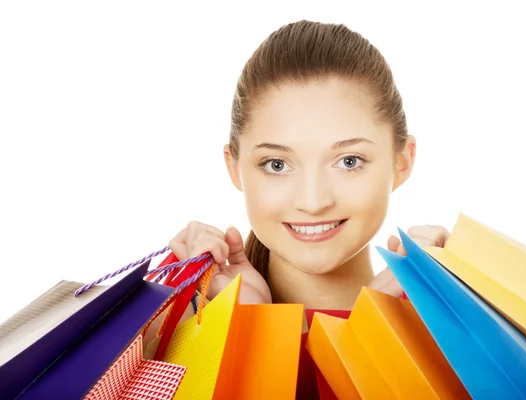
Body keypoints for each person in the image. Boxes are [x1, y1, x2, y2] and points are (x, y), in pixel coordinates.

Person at [170, 20, 449, 318]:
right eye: (276, 165)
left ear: (402, 160)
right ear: (234, 167)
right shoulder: (166, 327)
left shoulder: (448, 325)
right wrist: (250, 322)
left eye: (349, 161)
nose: (313, 202)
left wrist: (471, 297)